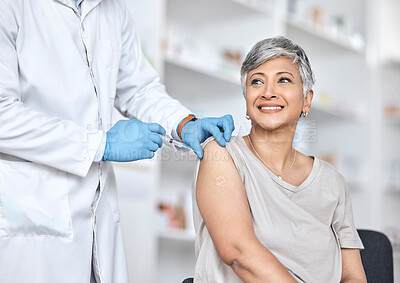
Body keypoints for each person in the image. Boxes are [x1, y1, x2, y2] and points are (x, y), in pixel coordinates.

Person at [0, 0, 234, 282]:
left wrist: (185, 125)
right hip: (34, 216)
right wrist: (99, 144)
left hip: (98, 218)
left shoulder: (113, 9)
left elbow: (139, 89)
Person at [192, 36, 366, 282]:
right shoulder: (221, 154)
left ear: (307, 100)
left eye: (283, 80)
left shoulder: (332, 182)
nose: (268, 92)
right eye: (257, 82)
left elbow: (352, 275)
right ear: (246, 100)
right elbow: (237, 252)